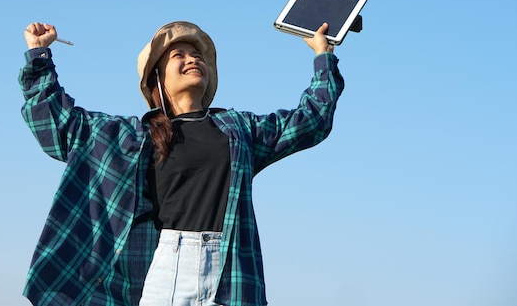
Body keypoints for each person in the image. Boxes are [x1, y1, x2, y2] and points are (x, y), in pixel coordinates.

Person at [19, 20, 344, 306]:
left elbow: (311, 120)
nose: (193, 59)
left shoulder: (240, 129)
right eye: (179, 56)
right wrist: (39, 54)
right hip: (165, 268)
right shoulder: (127, 136)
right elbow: (56, 122)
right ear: (157, 78)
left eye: (197, 55)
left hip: (230, 277)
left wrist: (323, 55)